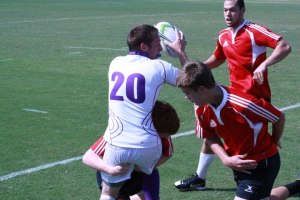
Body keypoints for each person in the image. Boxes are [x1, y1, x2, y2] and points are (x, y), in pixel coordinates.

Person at [174, 0, 291, 191]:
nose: (228, 14)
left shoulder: (255, 31)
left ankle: (258, 184)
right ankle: (201, 178)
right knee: (211, 133)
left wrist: (265, 64)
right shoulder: (223, 35)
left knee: (255, 147)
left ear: (242, 10)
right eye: (225, 10)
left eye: (232, 10)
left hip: (254, 100)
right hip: (231, 98)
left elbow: (284, 46)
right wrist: (192, 70)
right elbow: (217, 59)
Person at [99, 24, 188, 200]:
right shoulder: (159, 66)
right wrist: (180, 52)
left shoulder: (115, 62)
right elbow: (191, 80)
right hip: (147, 145)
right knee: (148, 170)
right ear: (143, 46)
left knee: (108, 194)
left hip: (116, 143)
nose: (161, 46)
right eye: (157, 42)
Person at [176, 61, 285, 199]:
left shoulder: (243, 104)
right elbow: (209, 136)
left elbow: (278, 117)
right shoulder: (200, 106)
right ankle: (295, 185)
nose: (187, 97)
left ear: (202, 89)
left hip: (261, 164)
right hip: (237, 164)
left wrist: (274, 142)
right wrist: (225, 159)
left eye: (188, 93)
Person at [82, 101, 180, 200]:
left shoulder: (163, 133)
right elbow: (88, 157)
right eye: (161, 136)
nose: (165, 139)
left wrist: (145, 167)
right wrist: (109, 169)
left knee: (151, 172)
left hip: (138, 176)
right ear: (150, 129)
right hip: (115, 176)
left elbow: (167, 154)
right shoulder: (120, 134)